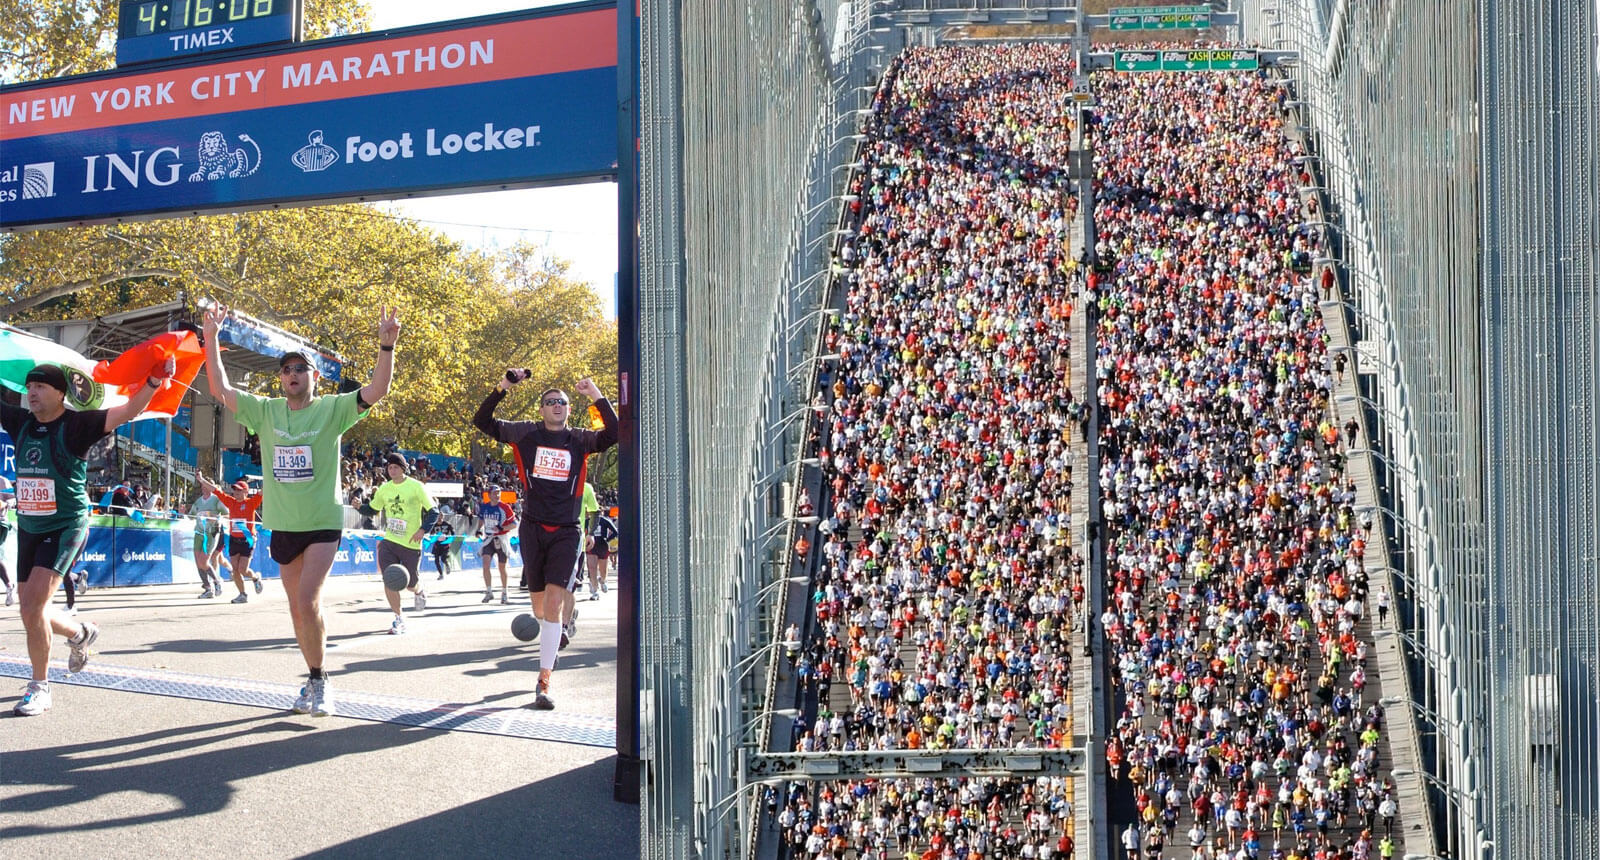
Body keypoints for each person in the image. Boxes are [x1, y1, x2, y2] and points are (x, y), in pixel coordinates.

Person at [202, 302, 399, 718]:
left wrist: (386, 347)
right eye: (286, 370)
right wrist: (211, 338)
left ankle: (321, 684)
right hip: (282, 525)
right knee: (298, 608)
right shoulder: (266, 410)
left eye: (300, 369)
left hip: (323, 523)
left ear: (314, 376)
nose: (292, 375)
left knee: (308, 598)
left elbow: (376, 390)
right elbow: (219, 389)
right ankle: (315, 674)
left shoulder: (332, 410)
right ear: (281, 379)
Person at [7, 359, 174, 715]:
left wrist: (155, 378)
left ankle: (40, 687)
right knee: (29, 608)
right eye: (29, 387)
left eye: (40, 387)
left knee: (34, 605)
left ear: (60, 393)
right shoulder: (21, 422)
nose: (31, 393)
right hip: (30, 527)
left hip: (65, 525)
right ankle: (80, 633)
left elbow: (129, 409)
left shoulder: (79, 424)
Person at [473, 372, 617, 710]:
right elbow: (482, 421)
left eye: (563, 402)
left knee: (553, 605)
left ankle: (543, 679)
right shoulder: (524, 434)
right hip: (533, 529)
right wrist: (504, 385)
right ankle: (554, 629)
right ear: (541, 410)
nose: (557, 406)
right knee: (539, 608)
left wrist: (594, 392)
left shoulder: (580, 440)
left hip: (567, 530)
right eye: (551, 402)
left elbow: (613, 433)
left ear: (569, 410)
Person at [359, 453, 438, 634]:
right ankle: (398, 618)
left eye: (395, 467)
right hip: (390, 540)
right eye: (389, 467)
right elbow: (372, 509)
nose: (392, 470)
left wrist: (422, 530)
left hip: (411, 542)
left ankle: (419, 590)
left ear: (403, 468)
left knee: (410, 584)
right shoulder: (384, 489)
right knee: (390, 579)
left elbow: (433, 511)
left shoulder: (416, 487)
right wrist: (359, 507)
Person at [198, 473, 264, 603]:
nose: (236, 492)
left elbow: (263, 491)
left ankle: (255, 578)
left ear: (246, 492)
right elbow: (215, 490)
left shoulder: (251, 503)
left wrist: (269, 477)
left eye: (239, 490)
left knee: (243, 569)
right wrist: (201, 480)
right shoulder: (231, 502)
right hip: (234, 539)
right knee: (235, 570)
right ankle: (242, 594)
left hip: (247, 539)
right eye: (234, 490)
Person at [478, 484, 517, 604]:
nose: (497, 495)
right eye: (494, 493)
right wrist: (479, 529)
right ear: (489, 495)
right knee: (485, 564)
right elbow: (481, 519)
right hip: (489, 539)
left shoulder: (505, 507)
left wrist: (501, 527)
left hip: (501, 538)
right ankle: (489, 592)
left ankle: (505, 593)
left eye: (498, 492)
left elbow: (514, 524)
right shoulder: (484, 507)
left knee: (502, 567)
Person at [190, 486, 228, 598]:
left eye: (207, 486)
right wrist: (183, 512)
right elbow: (191, 516)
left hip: (211, 533)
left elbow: (228, 513)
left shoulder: (216, 500)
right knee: (198, 562)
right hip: (198, 533)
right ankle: (207, 588)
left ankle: (217, 582)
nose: (204, 488)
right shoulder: (198, 501)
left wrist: (215, 517)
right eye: (203, 486)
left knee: (204, 561)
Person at [584, 488, 619, 600]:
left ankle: (602, 580)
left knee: (603, 570)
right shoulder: (587, 521)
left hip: (603, 546)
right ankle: (594, 591)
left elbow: (615, 532)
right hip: (591, 546)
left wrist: (607, 540)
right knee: (592, 568)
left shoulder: (604, 521)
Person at [0, 475, 13, 607]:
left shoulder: (3, 481)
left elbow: (13, 500)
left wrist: (4, 504)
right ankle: (9, 586)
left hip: (0, 522)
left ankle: (9, 585)